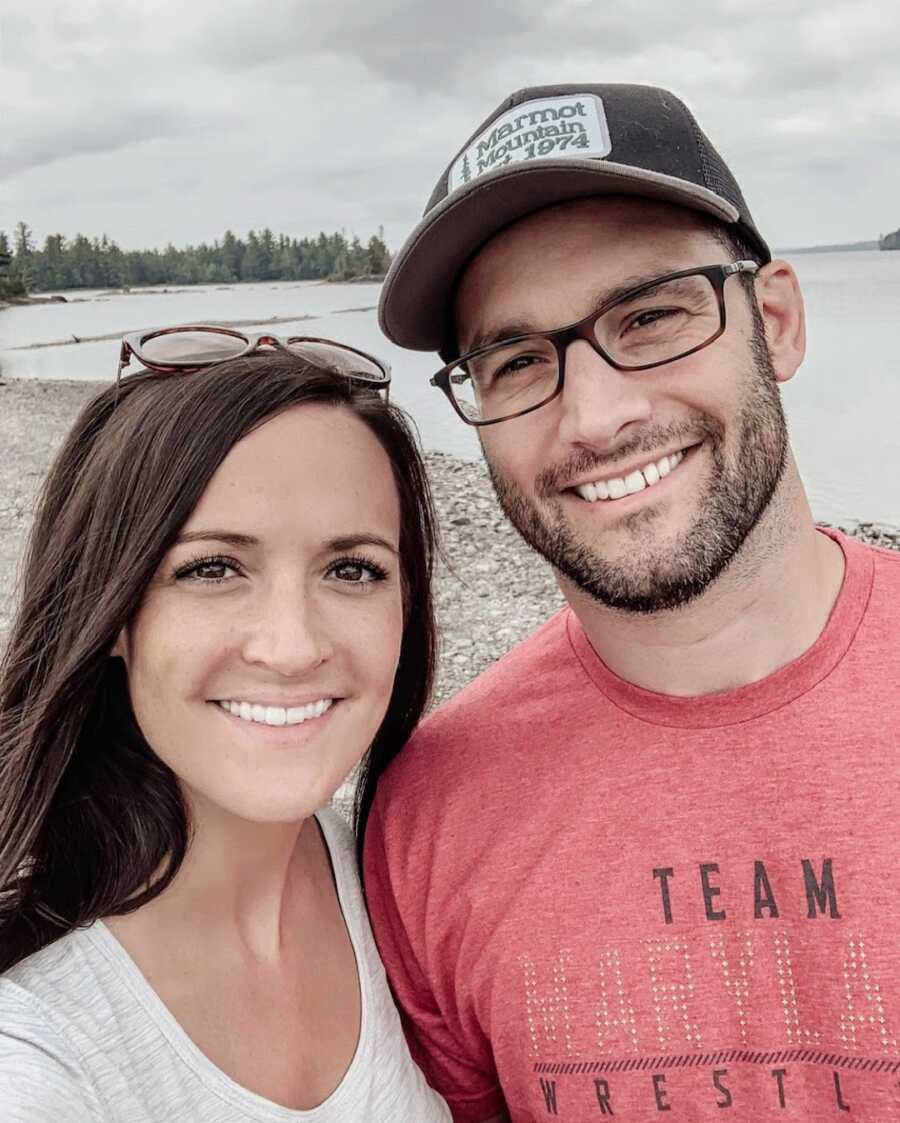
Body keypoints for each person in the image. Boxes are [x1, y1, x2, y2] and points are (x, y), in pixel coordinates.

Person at [359, 84, 900, 1120]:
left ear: (775, 322)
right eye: (516, 361)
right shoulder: (431, 816)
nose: (596, 415)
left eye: (651, 316)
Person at [0, 329, 451, 1121]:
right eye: (212, 568)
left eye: (352, 569)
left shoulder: (388, 875)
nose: (293, 647)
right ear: (112, 612)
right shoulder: (35, 1042)